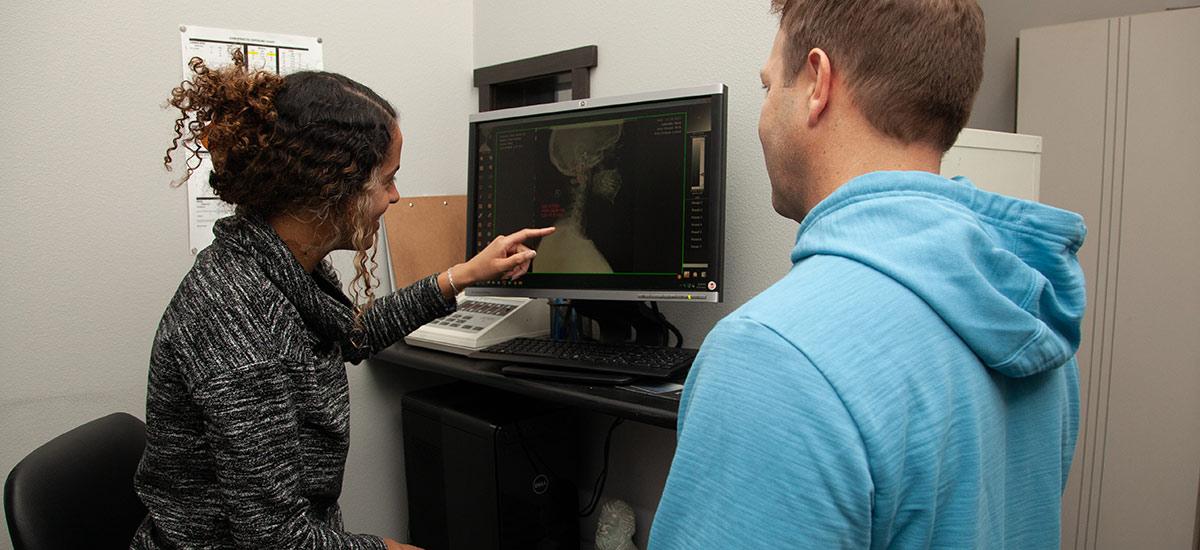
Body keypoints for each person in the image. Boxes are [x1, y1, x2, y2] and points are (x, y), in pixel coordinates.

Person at [649, 0, 1086, 548]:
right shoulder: (1030, 317)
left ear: (816, 82)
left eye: (768, 88)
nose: (763, 116)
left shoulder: (774, 356)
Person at [133, 52, 552, 550]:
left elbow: (351, 332)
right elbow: (276, 543)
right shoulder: (238, 323)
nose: (395, 197)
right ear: (334, 187)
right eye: (387, 179)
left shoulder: (280, 261)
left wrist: (464, 274)